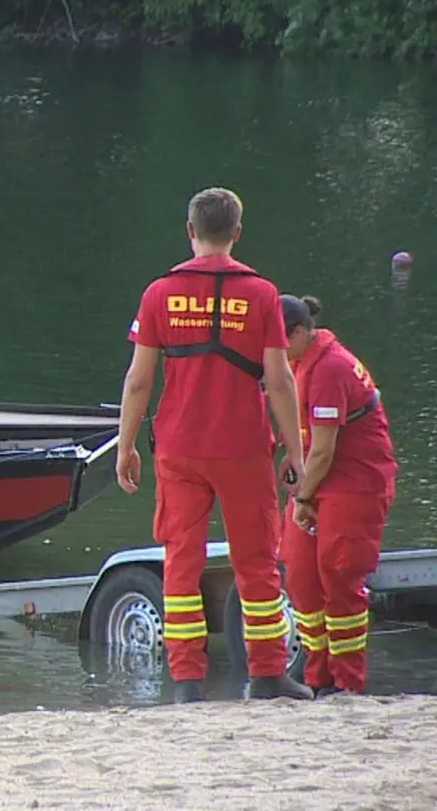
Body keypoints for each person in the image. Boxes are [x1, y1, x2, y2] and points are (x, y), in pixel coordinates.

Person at [114, 186, 311, 703]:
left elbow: (139, 381)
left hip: (179, 448)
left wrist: (125, 444)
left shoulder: (159, 293)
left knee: (181, 562)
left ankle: (186, 683)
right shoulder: (264, 294)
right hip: (244, 447)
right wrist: (296, 450)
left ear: (190, 232)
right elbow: (281, 380)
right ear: (237, 233)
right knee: (257, 561)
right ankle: (268, 674)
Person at [278, 294, 398, 696]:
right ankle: (318, 675)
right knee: (300, 573)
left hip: (355, 482)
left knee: (340, 574)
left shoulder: (329, 368)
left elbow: (327, 448)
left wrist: (302, 499)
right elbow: (308, 437)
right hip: (319, 477)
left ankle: (347, 684)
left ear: (298, 333)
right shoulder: (300, 362)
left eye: (278, 340)